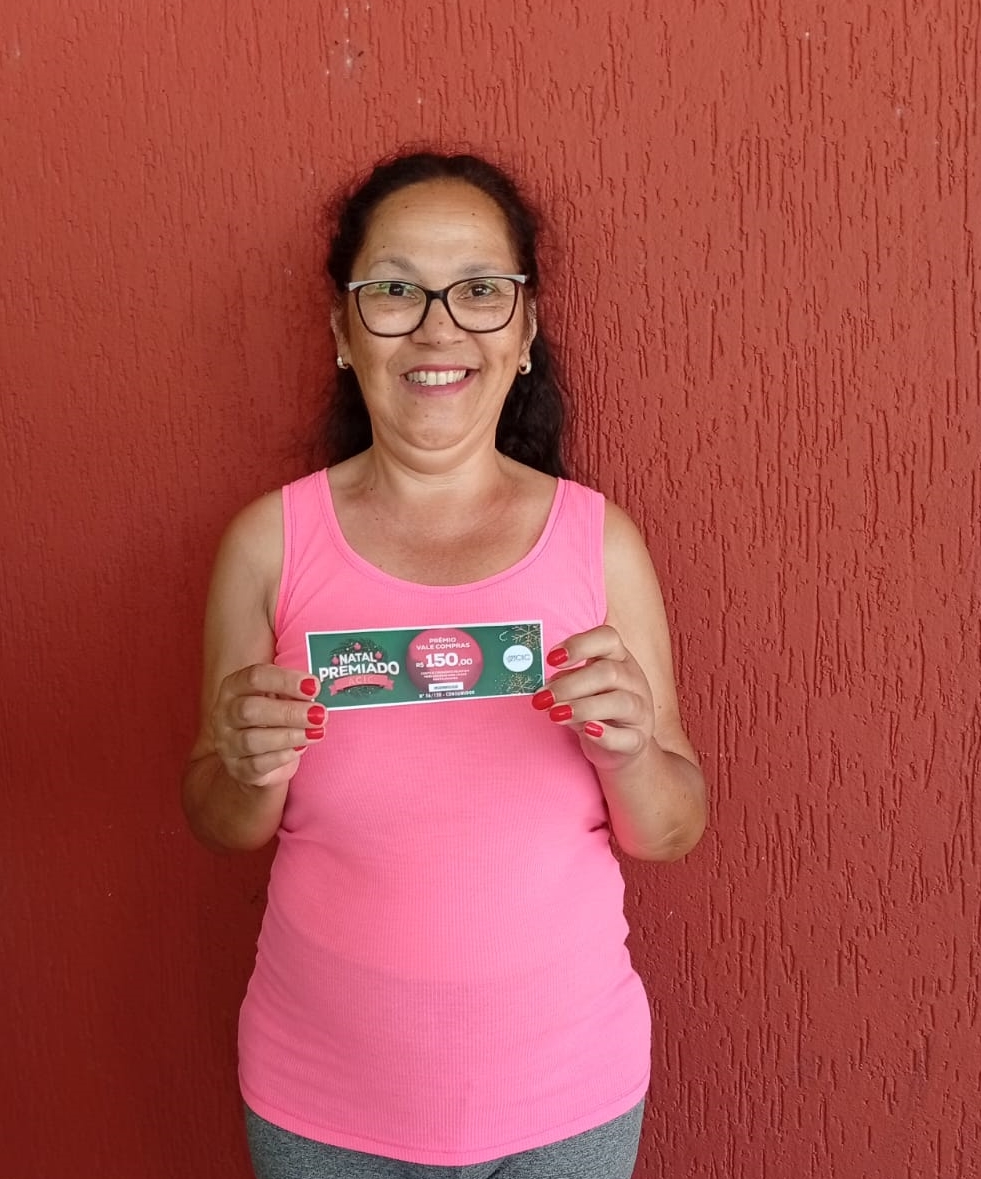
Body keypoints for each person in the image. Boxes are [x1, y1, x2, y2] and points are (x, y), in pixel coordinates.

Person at [181, 150, 707, 1179]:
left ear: (525, 328)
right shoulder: (266, 545)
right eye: (394, 291)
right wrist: (245, 768)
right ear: (343, 332)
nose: (436, 327)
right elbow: (218, 819)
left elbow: (672, 828)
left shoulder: (600, 545)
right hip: (320, 1102)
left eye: (478, 290)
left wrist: (633, 751)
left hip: (567, 1098)